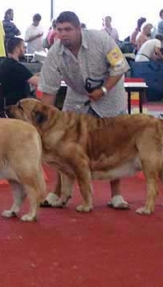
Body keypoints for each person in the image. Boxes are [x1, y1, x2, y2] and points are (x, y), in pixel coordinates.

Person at [38, 11, 131, 209]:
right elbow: (48, 90)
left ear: (79, 29)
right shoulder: (55, 53)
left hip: (110, 94)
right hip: (77, 97)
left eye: (68, 29)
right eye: (59, 30)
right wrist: (40, 123)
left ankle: (116, 195)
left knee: (113, 145)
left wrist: (103, 89)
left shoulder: (101, 39)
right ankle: (58, 192)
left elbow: (120, 65)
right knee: (65, 146)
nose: (63, 34)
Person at [0, 37, 39, 112]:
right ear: (17, 49)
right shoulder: (16, 67)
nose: (25, 50)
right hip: (19, 105)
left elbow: (28, 76)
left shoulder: (5, 63)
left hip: (6, 103)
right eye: (23, 47)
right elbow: (39, 82)